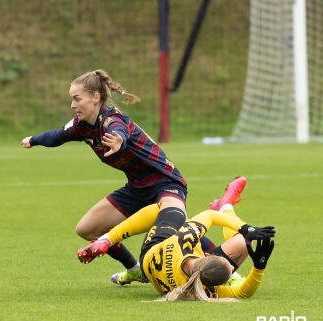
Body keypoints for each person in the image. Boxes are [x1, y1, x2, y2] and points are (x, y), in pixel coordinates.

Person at [21, 69, 216, 285]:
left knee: (174, 231)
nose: (73, 105)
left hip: (166, 184)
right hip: (136, 189)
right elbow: (56, 136)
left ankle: (228, 270)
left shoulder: (112, 120)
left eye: (77, 99)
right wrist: (34, 140)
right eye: (71, 99)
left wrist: (118, 141)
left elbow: (119, 131)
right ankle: (135, 270)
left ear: (96, 97)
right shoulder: (82, 126)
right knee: (87, 229)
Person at [77, 178, 276, 301]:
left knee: (172, 208)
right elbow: (244, 294)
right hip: (165, 269)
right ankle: (225, 205)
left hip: (153, 249)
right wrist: (259, 266)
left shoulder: (182, 240)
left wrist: (246, 228)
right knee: (242, 243)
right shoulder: (203, 291)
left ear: (207, 255)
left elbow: (209, 216)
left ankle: (107, 239)